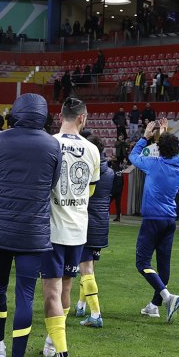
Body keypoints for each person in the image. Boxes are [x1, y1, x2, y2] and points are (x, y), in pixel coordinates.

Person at [0, 93, 61, 357]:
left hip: (0, 229)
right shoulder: (53, 144)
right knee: (25, 295)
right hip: (33, 231)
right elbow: (52, 182)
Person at [39, 97, 100, 357]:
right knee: (64, 289)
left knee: (50, 293)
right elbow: (90, 191)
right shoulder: (93, 150)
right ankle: (52, 342)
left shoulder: (48, 143)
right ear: (83, 119)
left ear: (59, 115)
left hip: (51, 229)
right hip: (78, 230)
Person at [128, 118, 179, 322]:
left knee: (142, 262)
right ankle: (154, 305)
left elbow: (132, 156)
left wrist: (146, 137)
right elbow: (170, 152)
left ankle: (168, 297)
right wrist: (162, 135)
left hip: (153, 219)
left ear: (159, 149)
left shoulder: (153, 165)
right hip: (170, 220)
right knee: (163, 265)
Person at [75, 134, 113, 328]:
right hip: (101, 224)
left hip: (85, 223)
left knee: (86, 269)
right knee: (88, 267)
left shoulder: (87, 170)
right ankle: (81, 305)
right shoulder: (110, 172)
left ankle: (96, 314)